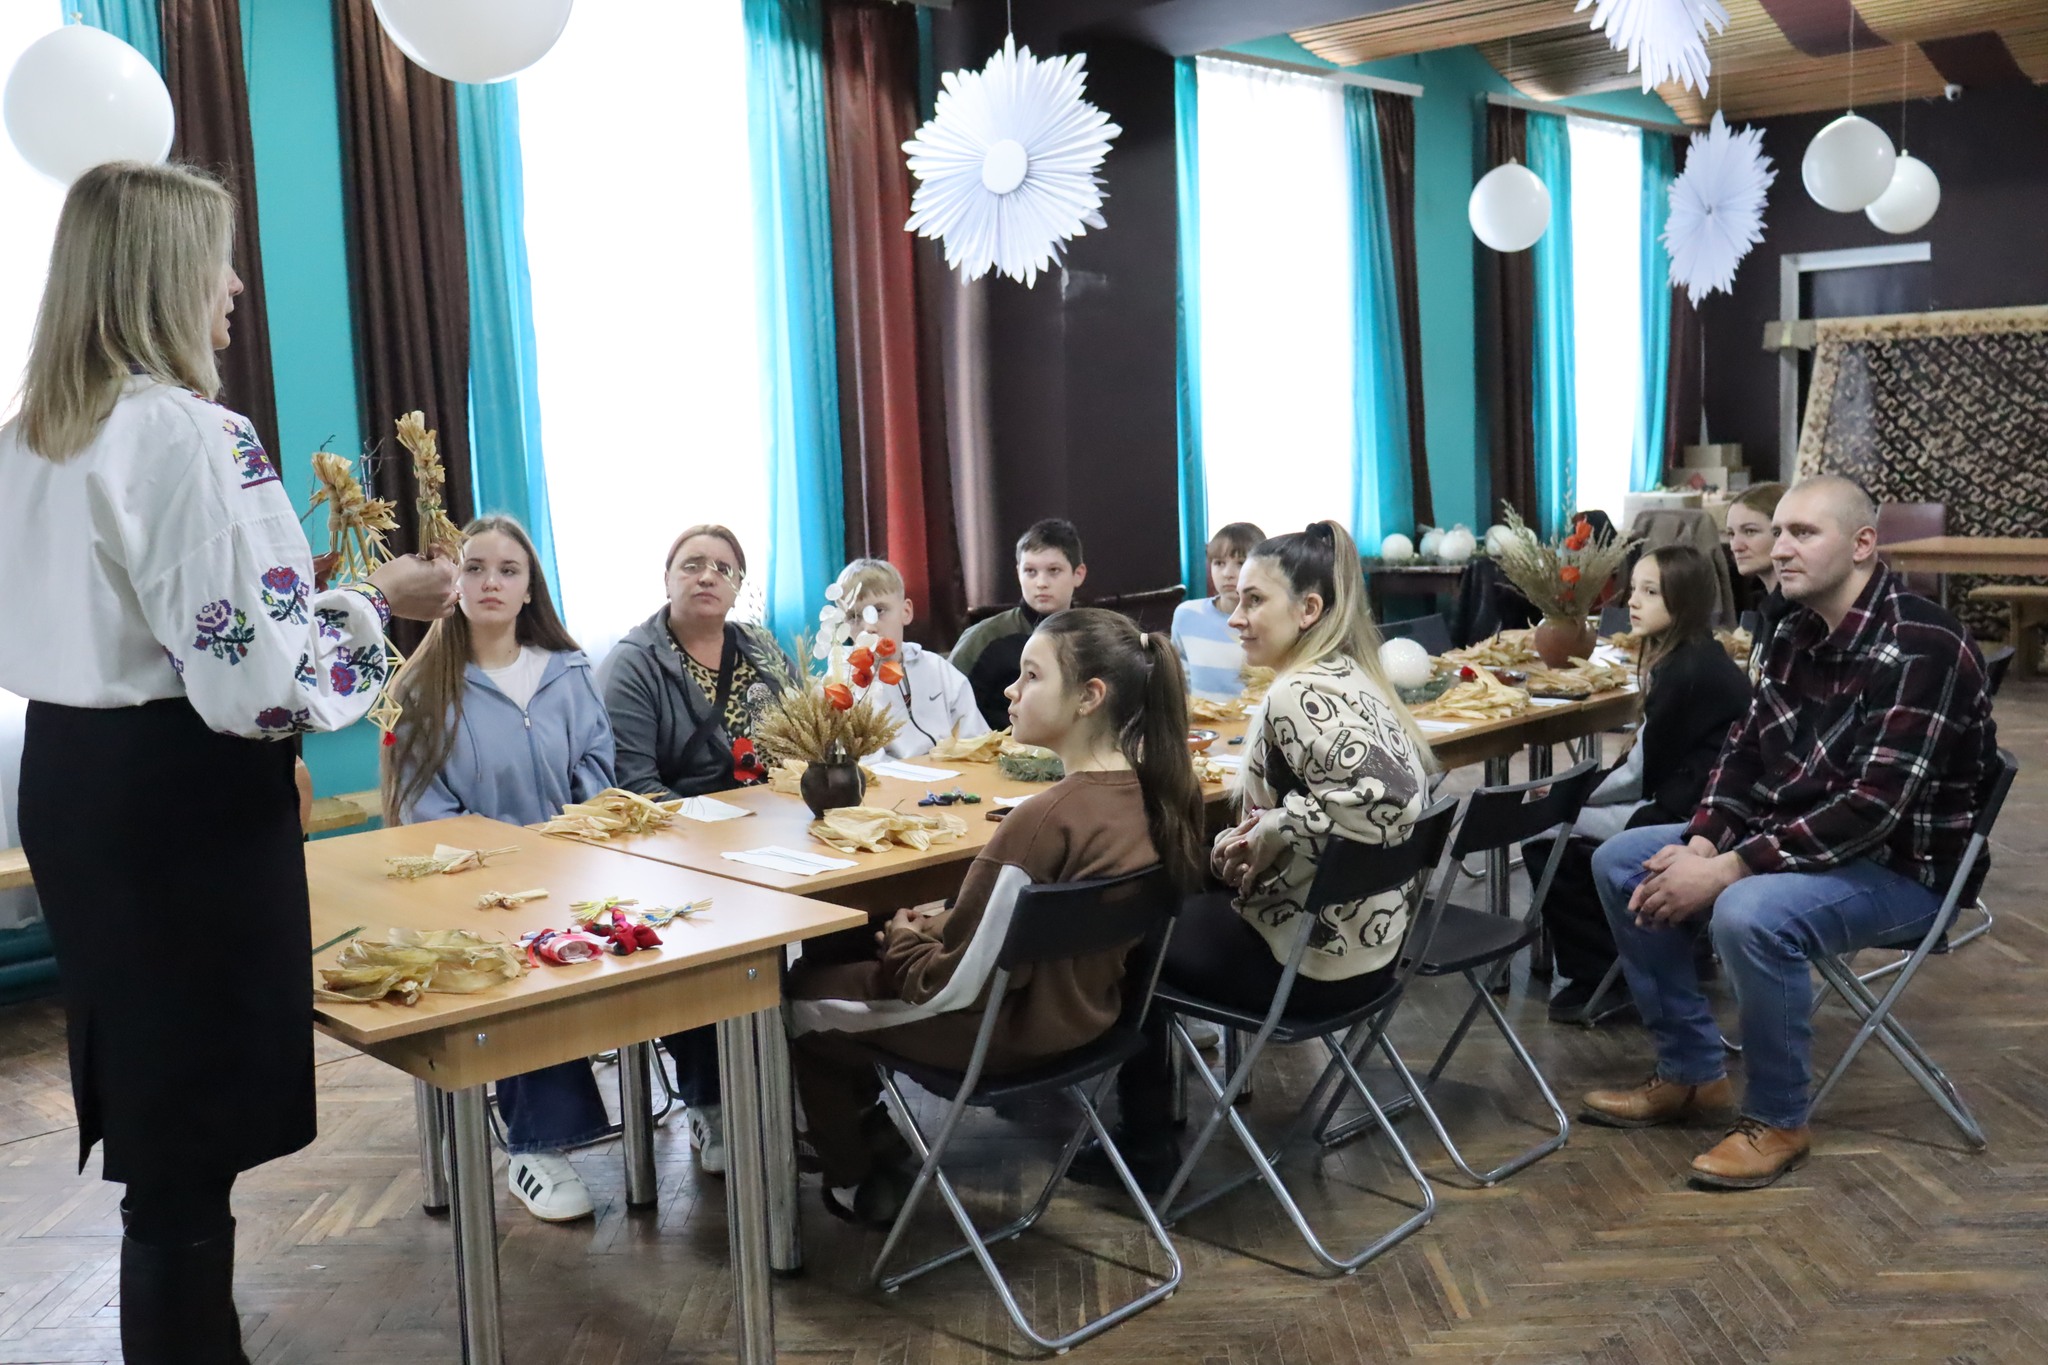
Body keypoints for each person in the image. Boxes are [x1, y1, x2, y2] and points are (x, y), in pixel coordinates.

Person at [0, 162, 457, 1362]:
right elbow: (255, 680)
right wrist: (379, 603)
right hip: (180, 795)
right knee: (192, 1125)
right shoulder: (191, 434)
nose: (238, 286)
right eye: (219, 260)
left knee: (158, 1107)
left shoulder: (27, 438)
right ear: (161, 277)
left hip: (72, 775)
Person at [1582, 475, 1999, 1190]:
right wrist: (1703, 841)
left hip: (1903, 869)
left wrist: (1726, 870)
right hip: (1801, 839)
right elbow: (1744, 752)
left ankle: (1778, 1119)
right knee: (1624, 859)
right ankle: (1692, 1072)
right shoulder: (1794, 630)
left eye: (1802, 533)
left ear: (1863, 544)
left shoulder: (1922, 644)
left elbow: (1872, 808)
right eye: (1776, 532)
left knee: (1749, 910)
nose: (1778, 549)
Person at [785, 608, 1203, 1223]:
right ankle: (871, 1142)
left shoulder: (1042, 820)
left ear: (1089, 697)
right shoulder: (1160, 794)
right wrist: (938, 923)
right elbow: (1014, 922)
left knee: (799, 996)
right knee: (851, 957)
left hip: (1009, 1034)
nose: (1010, 689)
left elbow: (948, 986)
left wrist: (903, 939)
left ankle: (857, 1174)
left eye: (1031, 676)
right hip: (1096, 1019)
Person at [1084, 520, 1433, 1192]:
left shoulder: (1296, 693)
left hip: (1312, 968)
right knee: (1184, 881)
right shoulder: (1353, 676)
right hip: (1373, 958)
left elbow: (1392, 797)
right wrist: (1263, 833)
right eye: (1236, 600)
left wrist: (1276, 825)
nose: (1235, 618)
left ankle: (1143, 1144)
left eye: (1254, 601)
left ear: (1309, 609)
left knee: (1132, 928)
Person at [384, 516, 616, 1222]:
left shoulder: (569, 671)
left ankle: (709, 1103)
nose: (491, 582)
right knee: (520, 965)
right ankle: (536, 1149)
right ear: (451, 585)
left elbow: (598, 770)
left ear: (529, 589)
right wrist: (507, 861)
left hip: (575, 872)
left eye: (508, 570)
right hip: (479, 891)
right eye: (475, 567)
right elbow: (421, 809)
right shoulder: (420, 688)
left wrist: (567, 841)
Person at [597, 524, 798, 1175]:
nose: (707, 575)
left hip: (771, 837)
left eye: (723, 567)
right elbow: (631, 783)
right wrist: (716, 831)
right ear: (667, 578)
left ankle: (811, 1078)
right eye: (691, 564)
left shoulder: (763, 649)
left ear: (739, 585)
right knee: (705, 948)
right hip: (673, 847)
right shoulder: (634, 662)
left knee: (849, 913)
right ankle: (709, 1101)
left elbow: (800, 745)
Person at [1524, 547, 1750, 1022]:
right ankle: (1635, 953)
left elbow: (1638, 776)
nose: (1632, 601)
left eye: (1651, 592)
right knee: (1561, 815)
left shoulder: (1685, 671)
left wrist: (1566, 796)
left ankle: (1601, 974)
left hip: (1689, 816)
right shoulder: (1697, 654)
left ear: (1684, 601)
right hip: (1698, 804)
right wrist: (1574, 792)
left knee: (1543, 829)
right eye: (1634, 590)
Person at [829, 558, 988, 759]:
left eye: (879, 611)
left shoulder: (938, 669)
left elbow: (978, 742)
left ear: (906, 612)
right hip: (893, 778)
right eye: (854, 617)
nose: (869, 627)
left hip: (957, 774)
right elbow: (866, 764)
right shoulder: (842, 685)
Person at [949, 518, 1087, 730]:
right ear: (1018, 573)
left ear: (1078, 574)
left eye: (1053, 570)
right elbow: (947, 706)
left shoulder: (1094, 637)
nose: (1041, 583)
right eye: (1030, 571)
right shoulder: (985, 638)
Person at [1172, 521, 1265, 702]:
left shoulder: (1271, 620)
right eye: (1219, 563)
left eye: (1241, 563)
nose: (1227, 573)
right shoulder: (1187, 615)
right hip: (1202, 719)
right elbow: (1179, 681)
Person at [1724, 482, 1788, 679]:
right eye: (1731, 534)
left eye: (1750, 531)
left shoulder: (1796, 610)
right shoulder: (1767, 606)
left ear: (1781, 533)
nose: (1736, 546)